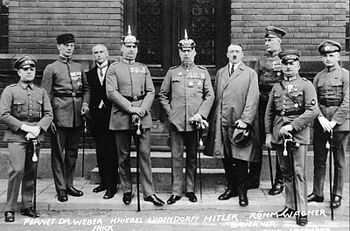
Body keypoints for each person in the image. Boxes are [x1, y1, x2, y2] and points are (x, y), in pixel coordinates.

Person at [105, 26, 164, 207]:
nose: (131, 50)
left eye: (134, 46)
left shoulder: (143, 68)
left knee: (144, 154)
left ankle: (149, 192)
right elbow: (111, 92)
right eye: (128, 46)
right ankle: (127, 189)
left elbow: (150, 91)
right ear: (121, 47)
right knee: (123, 156)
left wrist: (142, 109)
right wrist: (131, 108)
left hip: (142, 115)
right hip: (122, 115)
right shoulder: (114, 68)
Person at [159, 30, 214, 205]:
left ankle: (190, 189)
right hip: (176, 123)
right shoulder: (172, 72)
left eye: (189, 51)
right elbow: (163, 95)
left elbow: (209, 96)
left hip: (195, 123)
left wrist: (201, 114)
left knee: (192, 157)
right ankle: (176, 191)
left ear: (195, 52)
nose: (186, 54)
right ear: (179, 53)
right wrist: (171, 113)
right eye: (183, 51)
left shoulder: (203, 72)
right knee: (176, 157)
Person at [265, 50, 319, 226]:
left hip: (298, 134)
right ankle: (290, 206)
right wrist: (268, 134)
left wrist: (293, 125)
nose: (288, 67)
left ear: (298, 66)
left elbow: (313, 111)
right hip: (279, 134)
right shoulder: (276, 87)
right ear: (281, 66)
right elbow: (269, 113)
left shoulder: (306, 85)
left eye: (292, 64)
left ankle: (302, 210)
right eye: (285, 64)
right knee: (286, 172)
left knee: (299, 173)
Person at [205, 44, 259, 207]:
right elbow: (216, 97)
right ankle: (231, 187)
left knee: (241, 158)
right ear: (227, 54)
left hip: (239, 122)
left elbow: (253, 98)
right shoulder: (221, 72)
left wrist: (246, 119)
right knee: (226, 157)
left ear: (242, 55)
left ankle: (242, 192)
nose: (234, 54)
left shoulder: (250, 73)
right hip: (222, 120)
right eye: (231, 52)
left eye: (237, 52)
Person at [0, 55, 53, 222]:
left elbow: (49, 114)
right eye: (25, 69)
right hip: (16, 136)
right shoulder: (10, 90)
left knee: (31, 171)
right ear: (18, 71)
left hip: (35, 137)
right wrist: (25, 127)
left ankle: (27, 205)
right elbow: (4, 114)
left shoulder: (41, 92)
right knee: (17, 170)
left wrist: (37, 128)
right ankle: (9, 208)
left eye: (32, 69)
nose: (29, 72)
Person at [41, 33, 90, 202]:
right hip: (59, 115)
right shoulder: (51, 68)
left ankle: (69, 184)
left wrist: (85, 105)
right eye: (66, 45)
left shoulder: (78, 67)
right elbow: (45, 95)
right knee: (58, 154)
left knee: (72, 153)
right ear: (59, 47)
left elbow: (86, 90)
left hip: (77, 115)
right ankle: (60, 188)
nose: (69, 48)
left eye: (72, 45)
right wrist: (49, 119)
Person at [307, 40, 349, 209]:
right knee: (319, 159)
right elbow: (313, 101)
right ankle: (317, 192)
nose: (328, 59)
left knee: (338, 160)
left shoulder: (346, 75)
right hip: (321, 122)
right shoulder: (318, 77)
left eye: (331, 55)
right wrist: (321, 119)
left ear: (338, 56)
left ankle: (337, 194)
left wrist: (334, 121)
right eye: (325, 56)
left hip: (340, 124)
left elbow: (347, 101)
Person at [249, 26, 286, 195]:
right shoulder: (261, 61)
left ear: (279, 41)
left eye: (270, 40)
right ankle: (253, 178)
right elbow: (254, 83)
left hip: (278, 105)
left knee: (278, 140)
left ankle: (280, 180)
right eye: (265, 40)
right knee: (257, 141)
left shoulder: (286, 59)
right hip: (262, 103)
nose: (267, 43)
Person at [87, 44, 119, 199]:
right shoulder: (90, 73)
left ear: (107, 54)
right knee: (100, 149)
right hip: (96, 117)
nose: (99, 55)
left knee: (111, 151)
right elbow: (89, 93)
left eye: (101, 52)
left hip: (112, 115)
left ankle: (112, 185)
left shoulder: (114, 70)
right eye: (96, 53)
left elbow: (117, 91)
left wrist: (105, 102)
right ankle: (104, 182)